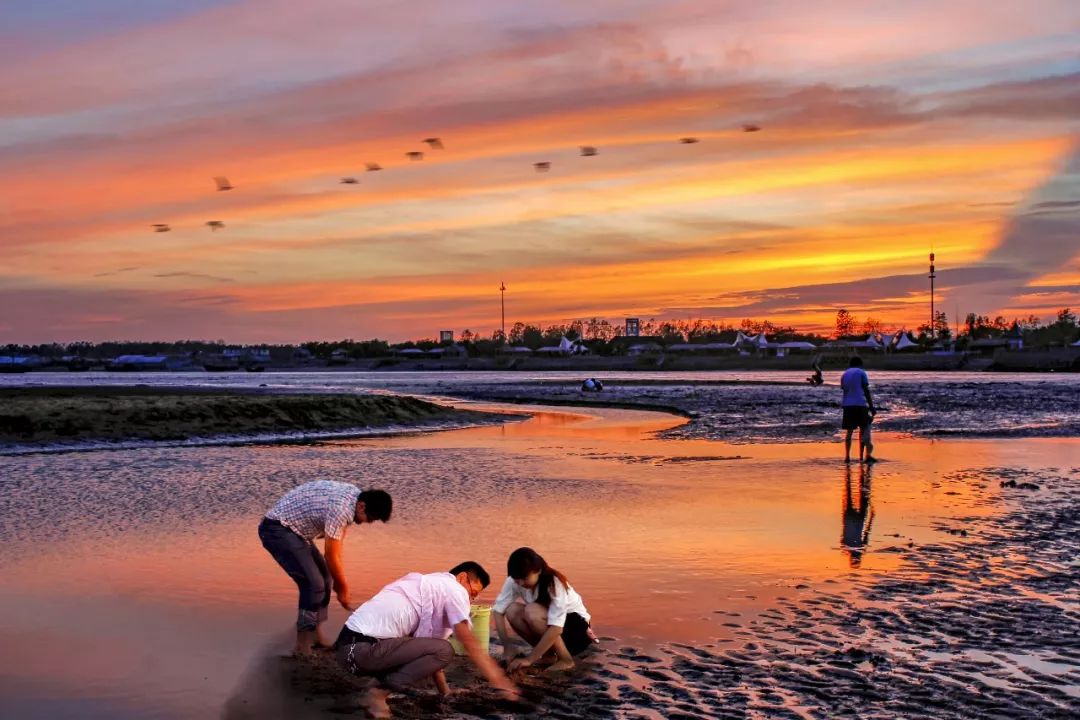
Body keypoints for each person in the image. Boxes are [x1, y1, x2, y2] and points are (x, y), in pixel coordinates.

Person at [334, 562, 519, 719]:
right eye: (473, 593)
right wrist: (500, 681)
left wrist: (445, 693)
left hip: (349, 653)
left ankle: (374, 688)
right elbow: (467, 641)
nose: (470, 600)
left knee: (434, 652)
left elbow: (428, 653)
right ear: (462, 578)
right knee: (445, 650)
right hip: (361, 651)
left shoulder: (429, 586)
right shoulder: (453, 588)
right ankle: (376, 693)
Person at [258, 481, 392, 655]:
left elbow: (336, 546)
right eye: (371, 518)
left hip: (297, 533)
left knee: (326, 578)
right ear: (362, 506)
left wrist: (338, 582)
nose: (370, 523)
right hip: (276, 530)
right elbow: (331, 555)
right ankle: (302, 643)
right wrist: (343, 589)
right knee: (313, 584)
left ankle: (315, 634)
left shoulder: (354, 498)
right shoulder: (342, 510)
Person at [493, 547, 596, 673]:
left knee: (532, 610)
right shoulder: (515, 581)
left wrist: (530, 659)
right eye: (516, 579)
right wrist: (507, 647)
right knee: (511, 610)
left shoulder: (554, 583)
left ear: (539, 571)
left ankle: (566, 659)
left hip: (576, 632)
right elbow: (498, 611)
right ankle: (548, 656)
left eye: (524, 578)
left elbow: (557, 627)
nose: (520, 583)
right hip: (552, 628)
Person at [840, 356, 876, 463]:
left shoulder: (844, 374)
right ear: (860, 364)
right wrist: (871, 406)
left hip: (847, 405)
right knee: (863, 430)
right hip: (860, 404)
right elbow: (866, 390)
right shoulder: (861, 372)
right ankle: (863, 456)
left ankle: (847, 457)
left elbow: (844, 390)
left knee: (849, 432)